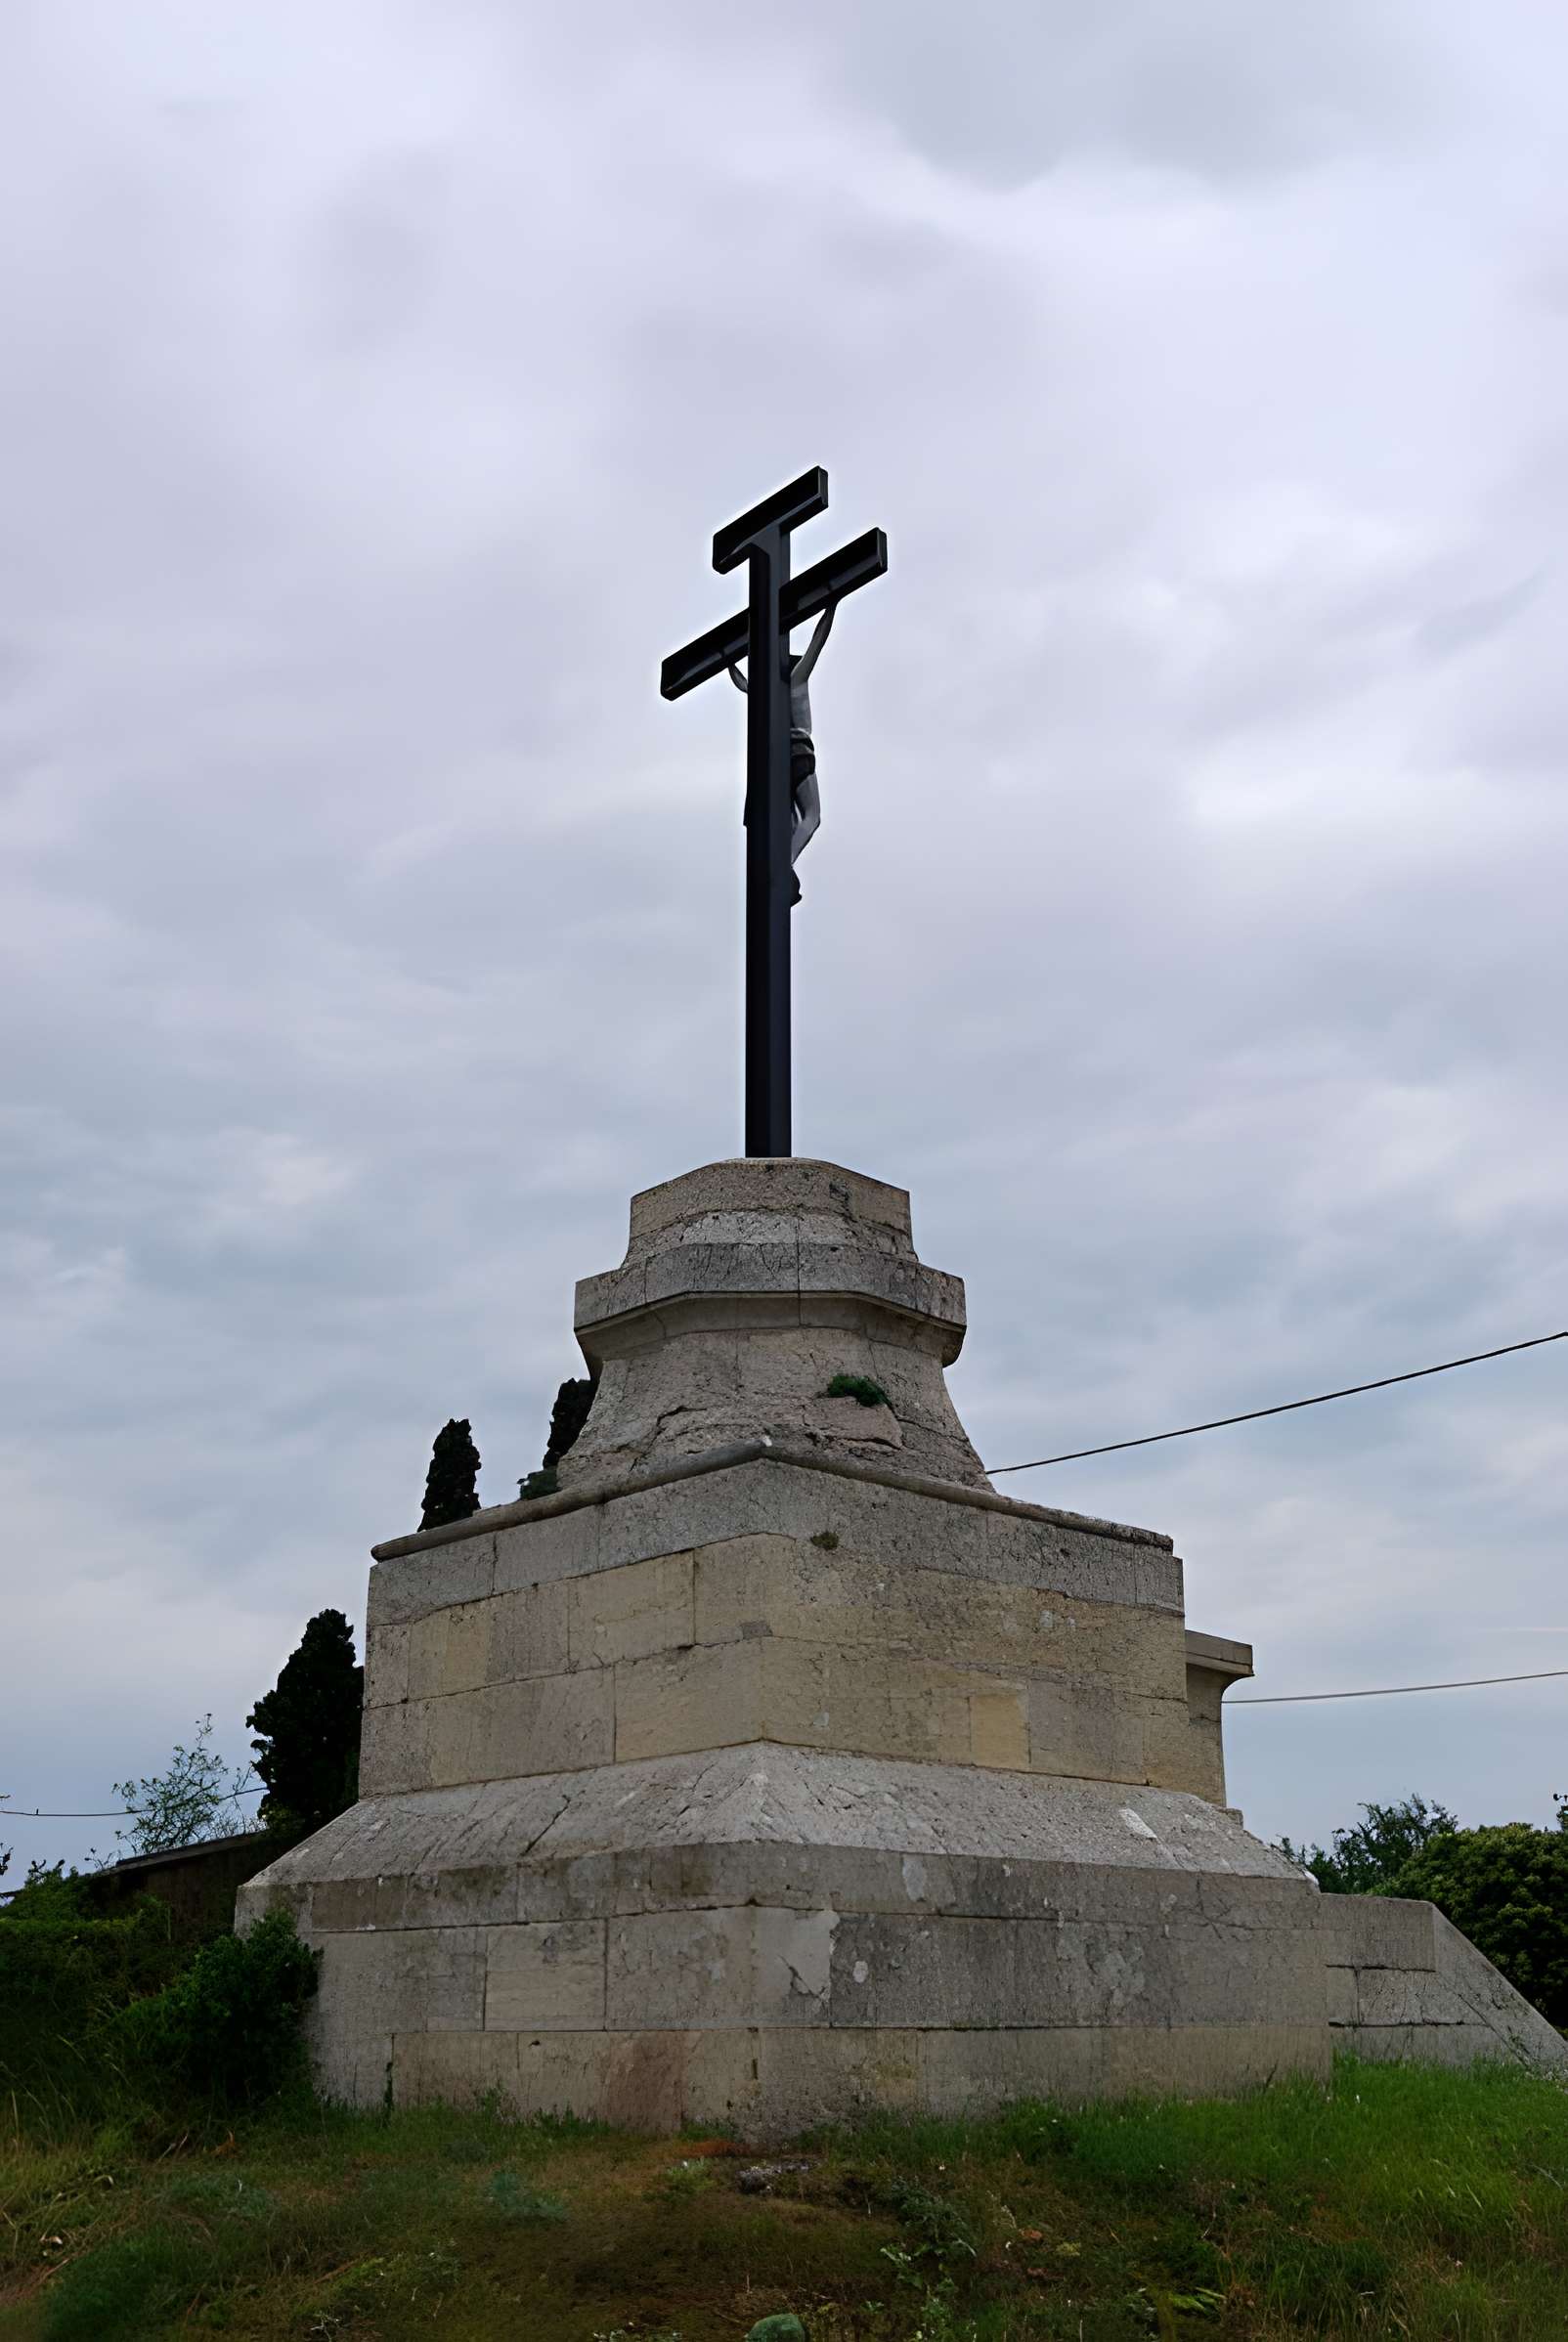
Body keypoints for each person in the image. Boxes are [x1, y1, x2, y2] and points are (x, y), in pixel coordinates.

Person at [727, 602, 834, 904]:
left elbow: (743, 684)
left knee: (785, 821)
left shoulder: (767, 693)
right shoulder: (797, 680)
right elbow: (818, 642)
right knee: (812, 816)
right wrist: (832, 605)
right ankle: (783, 863)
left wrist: (728, 660)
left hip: (775, 764)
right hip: (800, 755)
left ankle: (783, 870)